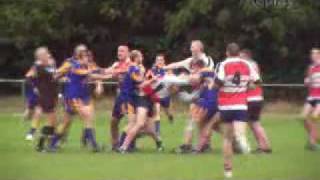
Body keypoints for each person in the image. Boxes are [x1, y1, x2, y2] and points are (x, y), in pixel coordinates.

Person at [216, 43, 260, 178]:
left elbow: (219, 81)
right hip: (241, 104)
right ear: (238, 52)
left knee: (227, 139)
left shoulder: (223, 64)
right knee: (240, 131)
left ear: (227, 52)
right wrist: (247, 85)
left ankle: (228, 170)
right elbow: (257, 81)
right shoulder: (247, 64)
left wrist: (214, 85)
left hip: (225, 105)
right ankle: (242, 139)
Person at [164, 40, 214, 153]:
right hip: (199, 94)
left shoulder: (207, 61)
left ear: (200, 48)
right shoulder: (190, 60)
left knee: (198, 120)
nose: (190, 49)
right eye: (190, 47)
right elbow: (176, 64)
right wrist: (162, 68)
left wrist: (185, 77)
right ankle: (202, 145)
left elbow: (203, 76)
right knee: (201, 121)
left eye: (193, 47)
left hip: (205, 94)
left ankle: (190, 145)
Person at [51, 48, 100, 152]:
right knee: (86, 118)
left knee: (66, 122)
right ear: (79, 56)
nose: (88, 58)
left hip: (80, 96)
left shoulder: (86, 65)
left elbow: (96, 72)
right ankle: (94, 145)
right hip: (72, 97)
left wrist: (110, 73)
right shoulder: (72, 64)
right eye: (86, 56)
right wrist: (60, 76)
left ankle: (52, 144)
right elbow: (57, 72)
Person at [119, 50, 163, 153]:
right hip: (140, 99)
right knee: (138, 123)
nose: (142, 57)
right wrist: (152, 79)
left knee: (149, 129)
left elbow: (147, 80)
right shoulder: (134, 69)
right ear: (136, 58)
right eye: (140, 56)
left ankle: (159, 142)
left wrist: (152, 79)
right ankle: (123, 147)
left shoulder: (141, 68)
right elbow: (141, 85)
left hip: (147, 99)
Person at [25, 47, 58, 152]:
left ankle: (49, 144)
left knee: (52, 122)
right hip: (45, 96)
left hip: (51, 95)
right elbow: (28, 77)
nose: (47, 55)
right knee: (51, 121)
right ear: (40, 56)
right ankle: (42, 145)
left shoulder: (50, 64)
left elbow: (54, 75)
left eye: (47, 53)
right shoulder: (38, 66)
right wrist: (35, 87)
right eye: (45, 54)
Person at [240, 49, 271, 153]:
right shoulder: (253, 65)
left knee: (254, 124)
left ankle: (265, 147)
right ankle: (263, 146)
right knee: (254, 123)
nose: (239, 58)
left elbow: (253, 83)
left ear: (246, 56)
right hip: (256, 98)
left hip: (251, 99)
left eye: (241, 56)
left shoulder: (248, 66)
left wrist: (243, 86)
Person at [106, 45, 132, 150]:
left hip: (130, 97)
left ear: (128, 53)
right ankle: (115, 144)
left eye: (122, 51)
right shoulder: (116, 64)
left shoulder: (131, 63)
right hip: (120, 96)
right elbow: (107, 72)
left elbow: (123, 71)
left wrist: (113, 72)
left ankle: (128, 144)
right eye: (118, 51)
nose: (119, 53)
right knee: (113, 121)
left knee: (131, 122)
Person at [146, 54, 174, 137]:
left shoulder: (168, 70)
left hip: (165, 95)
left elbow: (172, 80)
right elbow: (147, 78)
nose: (159, 61)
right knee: (157, 112)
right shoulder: (152, 70)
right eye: (158, 60)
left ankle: (170, 117)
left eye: (161, 60)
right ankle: (157, 131)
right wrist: (152, 78)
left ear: (164, 61)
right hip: (156, 95)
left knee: (167, 112)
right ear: (155, 62)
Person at [302, 48, 320, 151]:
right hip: (311, 96)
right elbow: (308, 80)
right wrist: (307, 81)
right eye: (311, 53)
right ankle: (314, 137)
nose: (312, 55)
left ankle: (313, 143)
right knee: (303, 117)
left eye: (314, 53)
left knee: (314, 117)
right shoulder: (311, 67)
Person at [24, 67, 42, 141]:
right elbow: (27, 79)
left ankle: (31, 133)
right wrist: (34, 87)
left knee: (38, 113)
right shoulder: (35, 67)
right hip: (32, 94)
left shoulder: (49, 69)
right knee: (29, 113)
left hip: (42, 94)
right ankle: (26, 117)